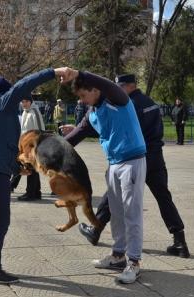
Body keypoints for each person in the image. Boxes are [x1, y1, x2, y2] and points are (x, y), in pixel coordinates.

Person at [62, 73, 190, 260]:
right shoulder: (149, 102)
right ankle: (180, 241)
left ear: (127, 86)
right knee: (163, 197)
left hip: (133, 157)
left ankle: (100, 233)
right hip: (155, 157)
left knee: (116, 199)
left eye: (118, 86)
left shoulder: (126, 103)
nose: (115, 90)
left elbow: (118, 129)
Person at [0, 68, 62, 284]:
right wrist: (53, 72)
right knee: (1, 219)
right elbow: (24, 85)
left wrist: (17, 169)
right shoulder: (3, 104)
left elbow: (2, 146)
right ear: (7, 93)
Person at [58, 68, 146, 284]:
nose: (82, 101)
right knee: (116, 212)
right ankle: (118, 256)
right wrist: (49, 151)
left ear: (95, 89)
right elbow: (75, 135)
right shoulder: (93, 113)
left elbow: (109, 84)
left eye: (83, 95)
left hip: (132, 161)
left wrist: (78, 73)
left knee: (131, 213)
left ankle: (134, 262)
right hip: (114, 163)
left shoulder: (118, 99)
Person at [11, 94, 46, 201]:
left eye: (26, 101)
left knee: (30, 168)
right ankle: (36, 192)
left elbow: (40, 129)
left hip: (33, 146)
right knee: (33, 169)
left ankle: (30, 193)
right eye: (22, 102)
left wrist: (38, 147)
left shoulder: (34, 112)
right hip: (25, 145)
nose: (24, 104)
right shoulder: (26, 112)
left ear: (31, 102)